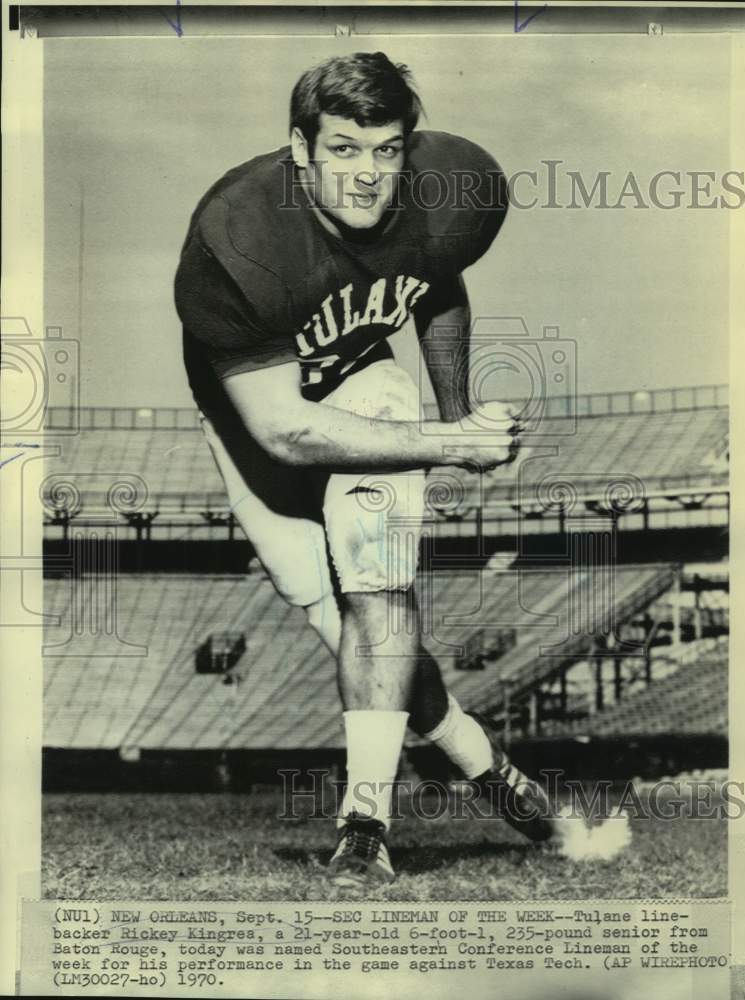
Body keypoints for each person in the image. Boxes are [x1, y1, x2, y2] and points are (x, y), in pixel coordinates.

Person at [175, 51, 565, 888]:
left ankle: (365, 825)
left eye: (385, 150)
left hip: (366, 380)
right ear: (299, 147)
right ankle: (481, 760)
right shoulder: (238, 237)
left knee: (377, 594)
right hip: (258, 421)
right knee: (336, 620)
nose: (365, 176)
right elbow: (285, 430)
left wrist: (452, 407)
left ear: (408, 148)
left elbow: (439, 282)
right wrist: (457, 444)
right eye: (343, 149)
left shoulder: (445, 186)